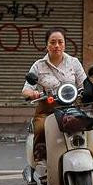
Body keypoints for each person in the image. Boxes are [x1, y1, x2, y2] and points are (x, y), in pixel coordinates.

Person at [22, 29, 86, 162]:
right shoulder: (38, 66)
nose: (56, 45)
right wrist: (32, 93)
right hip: (47, 109)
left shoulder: (74, 62)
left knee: (89, 127)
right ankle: (40, 162)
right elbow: (26, 89)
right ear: (47, 45)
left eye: (60, 42)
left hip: (71, 108)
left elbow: (84, 84)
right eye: (53, 42)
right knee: (40, 128)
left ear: (64, 45)